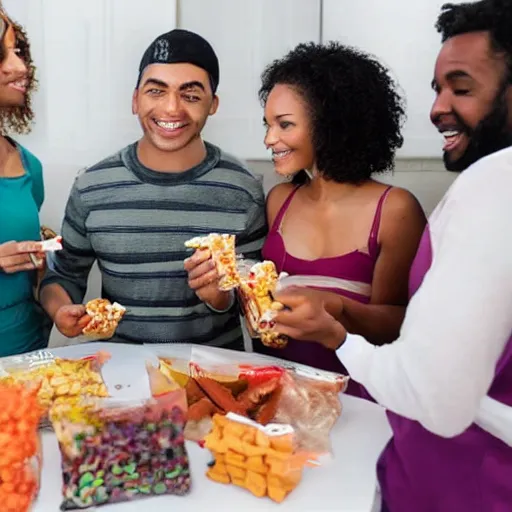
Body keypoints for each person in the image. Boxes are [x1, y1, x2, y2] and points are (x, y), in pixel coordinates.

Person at [271, 0, 512, 510]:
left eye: (462, 88)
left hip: (441, 470)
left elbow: (436, 394)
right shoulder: (277, 200)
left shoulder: (483, 189)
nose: (437, 107)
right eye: (438, 89)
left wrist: (338, 328)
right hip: (293, 411)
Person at [40, 29, 266, 349]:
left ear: (213, 104)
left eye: (190, 95)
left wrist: (222, 296)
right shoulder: (92, 187)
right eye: (156, 91)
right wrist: (61, 310)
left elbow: (259, 300)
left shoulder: (243, 190)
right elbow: (62, 276)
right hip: (122, 384)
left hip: (213, 385)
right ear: (135, 100)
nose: (172, 108)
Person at [256, 43, 426, 380]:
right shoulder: (279, 201)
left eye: (285, 125)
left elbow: (399, 325)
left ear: (332, 125)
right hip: (275, 399)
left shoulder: (394, 210)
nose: (269, 139)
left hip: (358, 401)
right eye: (267, 124)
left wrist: (337, 308)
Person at [0, 6, 48, 357]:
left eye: (18, 52)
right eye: (1, 55)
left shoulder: (30, 167)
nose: (20, 67)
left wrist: (43, 259)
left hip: (28, 354)